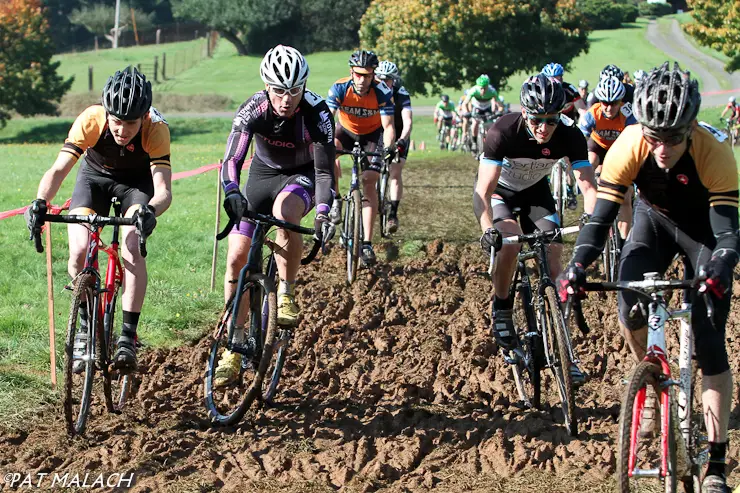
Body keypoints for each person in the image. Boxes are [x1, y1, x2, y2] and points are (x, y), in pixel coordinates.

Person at [559, 62, 738, 493]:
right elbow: (599, 220)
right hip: (652, 222)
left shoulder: (714, 150)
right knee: (628, 300)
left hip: (703, 231)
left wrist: (719, 269)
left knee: (709, 338)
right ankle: (650, 377)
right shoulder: (629, 143)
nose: (661, 147)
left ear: (690, 126)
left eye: (673, 137)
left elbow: (728, 232)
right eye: (654, 135)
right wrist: (578, 266)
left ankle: (715, 461)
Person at [24, 66, 171, 374]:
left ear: (144, 116)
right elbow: (59, 170)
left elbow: (163, 191)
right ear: (106, 113)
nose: (121, 129)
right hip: (94, 180)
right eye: (116, 121)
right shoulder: (91, 119)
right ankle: (86, 326)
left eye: (130, 122)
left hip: (136, 186)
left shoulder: (156, 129)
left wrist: (150, 212)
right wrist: (40, 201)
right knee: (79, 251)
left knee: (131, 247)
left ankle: (127, 337)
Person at [216, 45, 336, 387]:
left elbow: (326, 173)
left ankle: (285, 292)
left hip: (303, 176)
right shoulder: (253, 108)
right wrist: (232, 193)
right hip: (262, 176)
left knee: (285, 210)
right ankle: (234, 345)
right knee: (237, 257)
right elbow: (232, 161)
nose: (287, 99)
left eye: (295, 90)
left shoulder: (317, 113)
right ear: (267, 87)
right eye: (279, 91)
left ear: (304, 87)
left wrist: (325, 212)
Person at [474, 73, 598, 384]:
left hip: (536, 195)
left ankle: (566, 354)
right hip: (501, 194)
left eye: (551, 120)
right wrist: (488, 228)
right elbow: (483, 192)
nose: (544, 127)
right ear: (525, 113)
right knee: (510, 244)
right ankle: (502, 307)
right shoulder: (502, 132)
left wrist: (593, 217)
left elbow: (588, 185)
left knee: (555, 265)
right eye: (537, 119)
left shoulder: (570, 137)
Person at [327, 50, 395, 266]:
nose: (362, 80)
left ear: (374, 74)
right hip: (345, 131)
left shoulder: (382, 91)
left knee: (368, 181)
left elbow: (389, 126)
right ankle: (336, 198)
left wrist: (390, 146)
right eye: (358, 74)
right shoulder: (339, 87)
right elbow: (327, 119)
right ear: (351, 72)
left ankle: (366, 242)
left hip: (373, 136)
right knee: (329, 153)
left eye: (367, 75)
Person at [578, 76, 638, 239]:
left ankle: (624, 241)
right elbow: (580, 141)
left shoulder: (628, 114)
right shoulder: (593, 113)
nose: (609, 107)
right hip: (598, 146)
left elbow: (634, 142)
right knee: (589, 162)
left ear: (621, 102)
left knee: (625, 198)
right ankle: (591, 209)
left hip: (620, 149)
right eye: (605, 102)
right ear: (600, 101)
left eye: (614, 103)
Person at [375, 60, 412, 233]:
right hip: (376, 133)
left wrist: (403, 139)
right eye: (380, 79)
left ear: (394, 80)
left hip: (398, 134)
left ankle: (393, 214)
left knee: (395, 172)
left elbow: (408, 121)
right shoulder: (372, 91)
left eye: (388, 80)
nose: (384, 83)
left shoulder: (401, 93)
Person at [460, 74, 502, 152]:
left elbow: (500, 105)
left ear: (488, 86)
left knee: (489, 126)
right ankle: (474, 142)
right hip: (477, 107)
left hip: (487, 108)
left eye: (485, 88)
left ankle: (489, 144)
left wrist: (499, 111)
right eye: (481, 88)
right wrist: (466, 112)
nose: (483, 90)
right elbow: (464, 104)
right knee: (475, 123)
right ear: (478, 86)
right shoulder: (473, 90)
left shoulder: (492, 91)